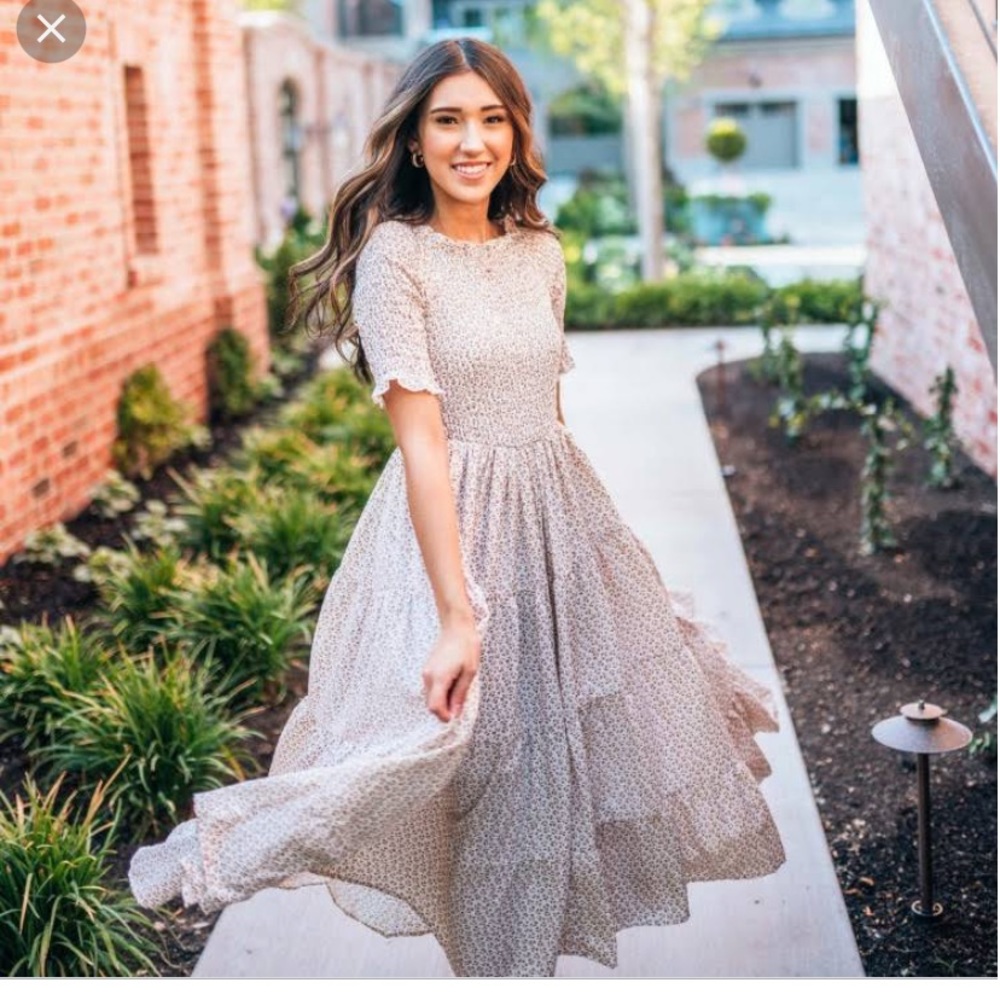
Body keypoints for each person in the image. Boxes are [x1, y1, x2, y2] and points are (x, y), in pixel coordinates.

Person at [128, 37, 787, 978]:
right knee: (464, 769)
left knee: (554, 775)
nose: (471, 142)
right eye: (447, 121)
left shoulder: (541, 252)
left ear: (516, 134)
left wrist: (594, 555)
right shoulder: (395, 258)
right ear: (413, 140)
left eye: (491, 119)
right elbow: (424, 445)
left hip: (555, 521)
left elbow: (549, 413)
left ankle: (526, 960)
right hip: (453, 535)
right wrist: (456, 614)